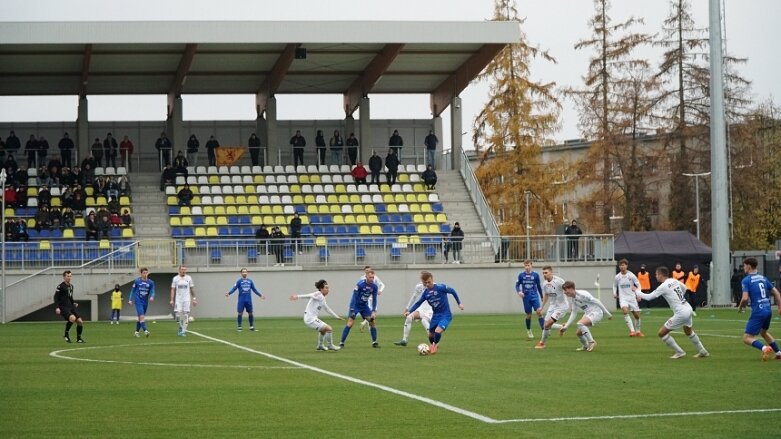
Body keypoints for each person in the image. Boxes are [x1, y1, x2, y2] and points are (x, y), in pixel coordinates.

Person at [635, 266, 709, 359]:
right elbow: (685, 288)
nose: (656, 276)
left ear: (661, 275)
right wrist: (679, 298)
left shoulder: (663, 286)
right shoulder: (674, 280)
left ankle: (679, 352)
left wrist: (636, 291)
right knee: (688, 331)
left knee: (661, 333)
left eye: (656, 274)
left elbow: (649, 297)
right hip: (688, 308)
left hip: (681, 312)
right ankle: (702, 351)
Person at [406, 270, 464, 355]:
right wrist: (409, 311)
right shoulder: (426, 293)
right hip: (435, 315)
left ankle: (434, 346)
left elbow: (452, 291)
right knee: (430, 335)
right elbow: (418, 303)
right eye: (425, 283)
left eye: (429, 282)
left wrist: (459, 303)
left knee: (438, 331)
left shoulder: (441, 287)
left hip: (445, 314)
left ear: (432, 279)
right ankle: (432, 344)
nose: (427, 284)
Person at [738, 257, 781, 361]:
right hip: (768, 310)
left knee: (747, 338)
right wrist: (780, 307)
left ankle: (764, 348)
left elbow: (744, 298)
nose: (743, 268)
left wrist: (740, 307)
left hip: (758, 311)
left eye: (744, 266)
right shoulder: (763, 278)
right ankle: (779, 353)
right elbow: (776, 293)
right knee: (763, 332)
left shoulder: (746, 280)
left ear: (748, 266)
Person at [289, 279, 343, 351]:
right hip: (310, 318)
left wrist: (336, 316)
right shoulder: (319, 294)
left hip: (311, 318)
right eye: (326, 288)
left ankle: (320, 346)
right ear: (321, 289)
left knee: (323, 330)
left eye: (328, 288)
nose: (328, 290)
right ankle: (330, 345)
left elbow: (327, 309)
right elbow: (309, 295)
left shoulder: (322, 298)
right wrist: (297, 296)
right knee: (329, 329)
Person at [559, 281, 613, 351]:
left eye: (565, 290)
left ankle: (591, 342)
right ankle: (585, 346)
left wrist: (607, 313)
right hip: (588, 313)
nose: (564, 292)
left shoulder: (582, 294)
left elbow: (597, 301)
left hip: (596, 312)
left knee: (580, 323)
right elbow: (573, 313)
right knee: (578, 333)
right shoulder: (573, 299)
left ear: (571, 288)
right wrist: (566, 326)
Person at [339, 268, 380, 348]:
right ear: (366, 277)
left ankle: (374, 342)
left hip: (364, 306)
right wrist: (352, 309)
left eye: (373, 277)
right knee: (350, 323)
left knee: (372, 322)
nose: (372, 279)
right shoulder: (360, 284)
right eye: (370, 277)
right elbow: (354, 297)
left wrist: (373, 311)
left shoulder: (374, 287)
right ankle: (341, 343)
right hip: (355, 305)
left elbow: (375, 299)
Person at [534, 266, 569, 349]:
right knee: (545, 325)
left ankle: (542, 343)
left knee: (547, 325)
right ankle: (562, 327)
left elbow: (567, 290)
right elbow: (546, 295)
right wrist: (541, 307)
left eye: (546, 273)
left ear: (551, 272)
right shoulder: (545, 283)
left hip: (561, 307)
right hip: (552, 306)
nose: (544, 275)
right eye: (543, 273)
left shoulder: (559, 281)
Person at [394, 281, 434, 347]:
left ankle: (433, 342)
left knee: (424, 321)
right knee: (409, 317)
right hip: (421, 308)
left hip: (430, 309)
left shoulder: (434, 286)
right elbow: (414, 297)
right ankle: (404, 340)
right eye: (422, 280)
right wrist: (407, 308)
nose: (424, 282)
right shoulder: (419, 286)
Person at [613, 259, 644, 337]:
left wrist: (638, 294)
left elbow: (638, 284)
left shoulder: (631, 275)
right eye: (620, 265)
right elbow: (614, 285)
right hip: (623, 298)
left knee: (637, 315)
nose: (622, 267)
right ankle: (632, 331)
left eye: (623, 265)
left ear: (626, 266)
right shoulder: (617, 277)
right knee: (625, 311)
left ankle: (638, 331)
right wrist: (614, 293)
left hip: (632, 298)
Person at [515, 259, 544, 339]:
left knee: (539, 312)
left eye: (528, 265)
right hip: (526, 297)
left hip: (534, 296)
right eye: (525, 265)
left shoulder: (535, 275)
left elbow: (538, 286)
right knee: (529, 315)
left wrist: (541, 296)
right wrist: (519, 292)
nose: (527, 267)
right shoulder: (521, 275)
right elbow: (517, 285)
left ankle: (544, 330)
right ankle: (529, 330)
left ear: (531, 265)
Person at [54, 270, 85, 343]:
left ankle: (79, 339)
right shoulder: (60, 286)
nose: (69, 277)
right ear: (64, 277)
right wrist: (57, 307)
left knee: (80, 321)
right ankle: (66, 335)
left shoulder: (71, 286)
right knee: (72, 318)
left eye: (70, 276)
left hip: (70, 306)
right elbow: (56, 297)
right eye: (68, 276)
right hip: (63, 307)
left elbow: (70, 297)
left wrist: (73, 302)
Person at [128, 267, 156, 337]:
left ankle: (136, 332)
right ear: (141, 273)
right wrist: (130, 299)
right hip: (138, 301)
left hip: (145, 302)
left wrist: (152, 296)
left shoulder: (151, 282)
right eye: (144, 273)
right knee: (142, 316)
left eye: (146, 273)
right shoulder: (137, 281)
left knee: (140, 318)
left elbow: (153, 290)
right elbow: (132, 291)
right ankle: (145, 330)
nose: (145, 274)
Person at [170, 265, 197, 337]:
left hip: (186, 299)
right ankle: (181, 327)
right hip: (178, 300)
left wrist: (194, 299)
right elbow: (173, 289)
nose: (184, 271)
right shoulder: (175, 278)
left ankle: (183, 331)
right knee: (178, 315)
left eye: (185, 269)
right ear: (179, 270)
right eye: (182, 269)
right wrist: (172, 300)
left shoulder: (189, 278)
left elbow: (192, 288)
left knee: (185, 315)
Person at [359, 265, 386, 332]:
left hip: (373, 298)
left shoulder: (375, 277)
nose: (368, 272)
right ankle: (370, 329)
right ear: (364, 271)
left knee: (373, 314)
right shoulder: (362, 278)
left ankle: (364, 323)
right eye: (366, 271)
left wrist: (380, 290)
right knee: (371, 315)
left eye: (369, 270)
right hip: (366, 299)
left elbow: (382, 284)